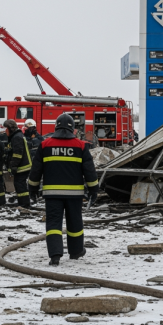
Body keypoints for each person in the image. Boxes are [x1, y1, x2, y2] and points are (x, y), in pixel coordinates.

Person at [27, 114, 98, 266]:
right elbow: (89, 171)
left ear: (56, 127)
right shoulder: (81, 145)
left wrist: (32, 188)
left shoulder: (45, 145)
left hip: (52, 194)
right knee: (75, 222)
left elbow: (36, 170)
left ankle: (55, 255)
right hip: (75, 195)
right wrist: (94, 190)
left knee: (53, 223)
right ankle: (76, 251)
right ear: (73, 128)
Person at [4, 119, 32, 208]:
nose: (5, 131)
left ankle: (24, 204)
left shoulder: (16, 137)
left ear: (10, 129)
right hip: (23, 165)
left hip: (23, 166)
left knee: (20, 184)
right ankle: (22, 202)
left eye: (6, 129)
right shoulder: (17, 136)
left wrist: (13, 165)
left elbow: (17, 154)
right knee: (19, 184)